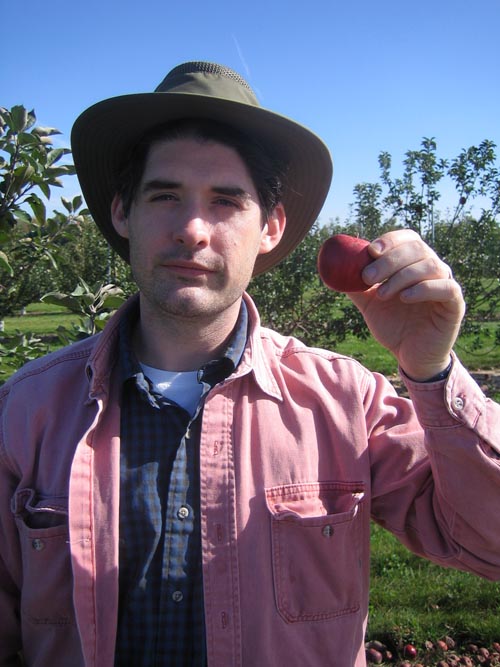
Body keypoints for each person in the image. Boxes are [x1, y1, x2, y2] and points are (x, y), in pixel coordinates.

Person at [1, 61, 499, 667]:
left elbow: (488, 544)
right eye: (164, 195)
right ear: (123, 213)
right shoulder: (24, 411)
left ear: (270, 227)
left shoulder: (346, 402)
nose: (191, 230)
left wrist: (432, 370)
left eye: (226, 202)